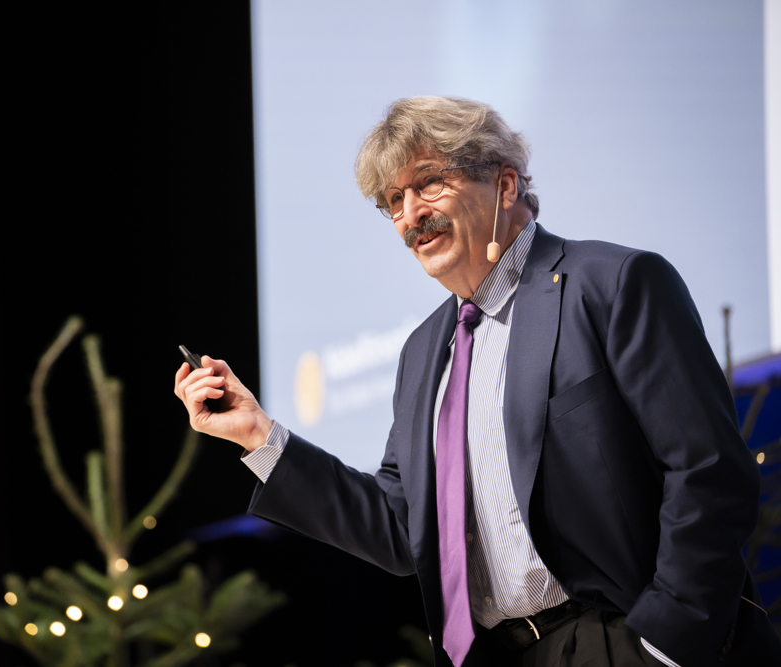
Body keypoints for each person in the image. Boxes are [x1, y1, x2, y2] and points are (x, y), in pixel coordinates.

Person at [173, 96, 780, 666]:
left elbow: (707, 471)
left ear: (505, 184)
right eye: (393, 200)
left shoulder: (614, 284)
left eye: (429, 182)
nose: (411, 215)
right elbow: (397, 525)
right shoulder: (421, 354)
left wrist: (664, 645)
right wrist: (258, 434)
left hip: (619, 639)